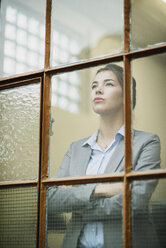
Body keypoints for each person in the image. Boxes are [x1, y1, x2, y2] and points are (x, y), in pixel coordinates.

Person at [48, 64, 161, 248]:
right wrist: (100, 190)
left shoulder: (147, 143)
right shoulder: (76, 149)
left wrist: (79, 204)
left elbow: (135, 202)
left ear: (126, 95)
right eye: (93, 86)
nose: (98, 89)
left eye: (108, 84)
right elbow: (51, 200)